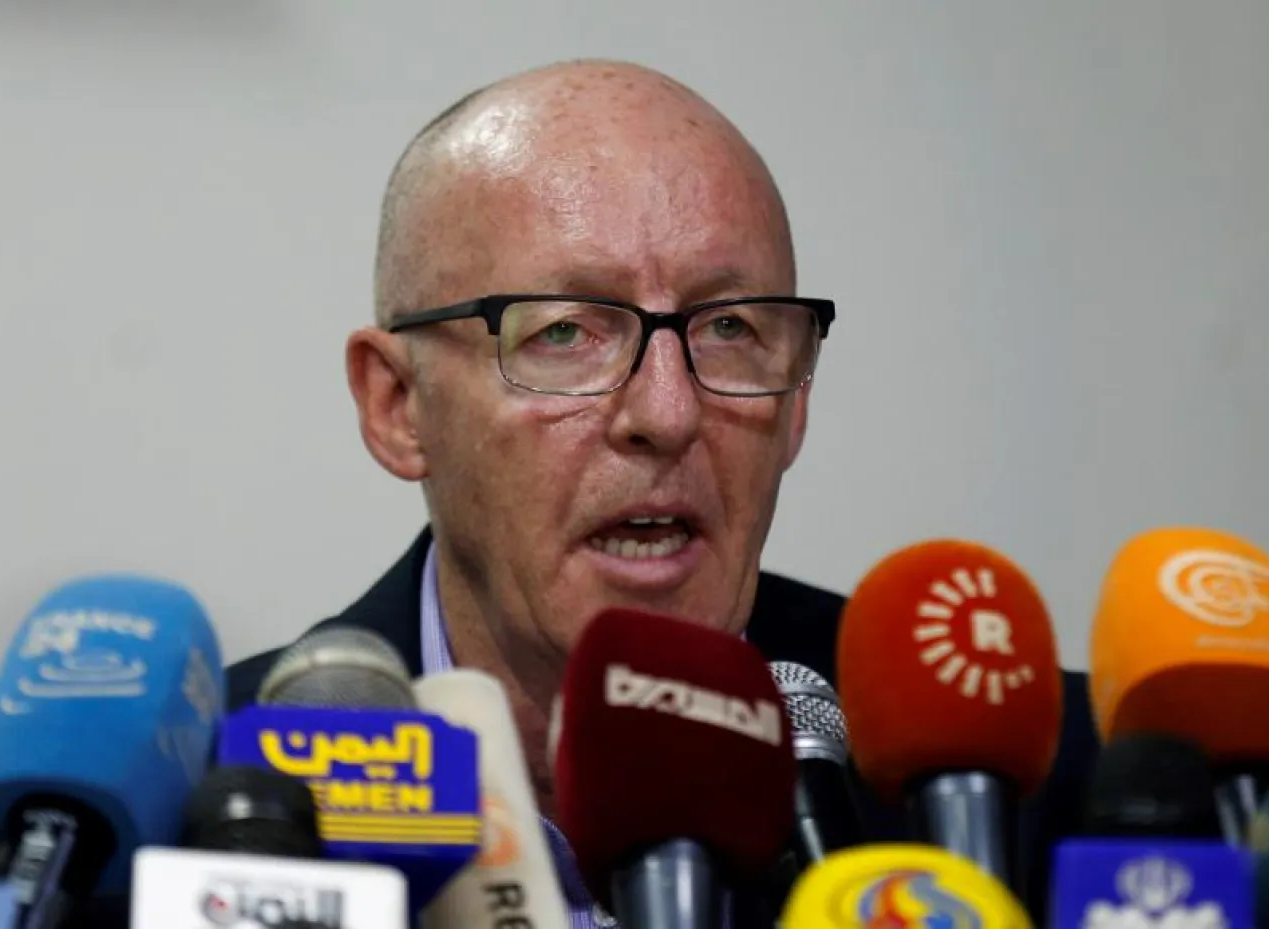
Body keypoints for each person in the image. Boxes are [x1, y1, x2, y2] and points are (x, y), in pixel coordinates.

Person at [225, 59, 1100, 925]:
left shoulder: (1053, 798)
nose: (669, 411)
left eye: (729, 329)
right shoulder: (182, 822)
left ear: (797, 399)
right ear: (399, 405)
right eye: (564, 331)